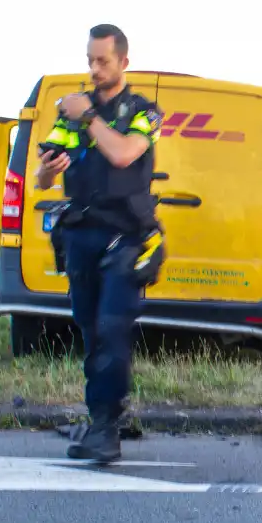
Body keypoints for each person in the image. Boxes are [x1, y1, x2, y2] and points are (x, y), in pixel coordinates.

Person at [36, 23, 165, 463]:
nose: (94, 69)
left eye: (102, 61)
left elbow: (125, 153)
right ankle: (104, 416)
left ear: (123, 62)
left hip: (125, 236)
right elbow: (44, 175)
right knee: (92, 332)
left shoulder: (143, 111)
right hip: (82, 234)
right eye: (90, 60)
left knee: (113, 327)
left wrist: (89, 117)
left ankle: (107, 429)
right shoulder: (72, 110)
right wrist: (47, 170)